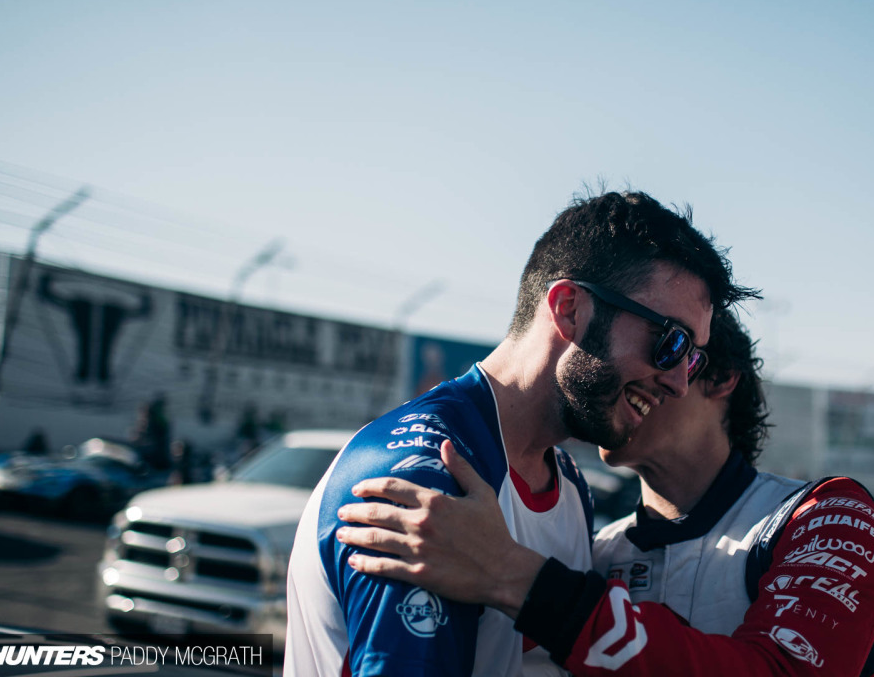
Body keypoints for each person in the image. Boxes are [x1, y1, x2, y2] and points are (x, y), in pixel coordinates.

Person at [285, 190, 758, 677]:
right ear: (570, 310)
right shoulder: (430, 475)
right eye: (671, 342)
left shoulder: (570, 486)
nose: (681, 382)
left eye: (693, 357)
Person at [338, 311, 874, 676]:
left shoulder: (828, 517)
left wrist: (515, 576)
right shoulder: (597, 550)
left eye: (667, 353)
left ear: (720, 377)